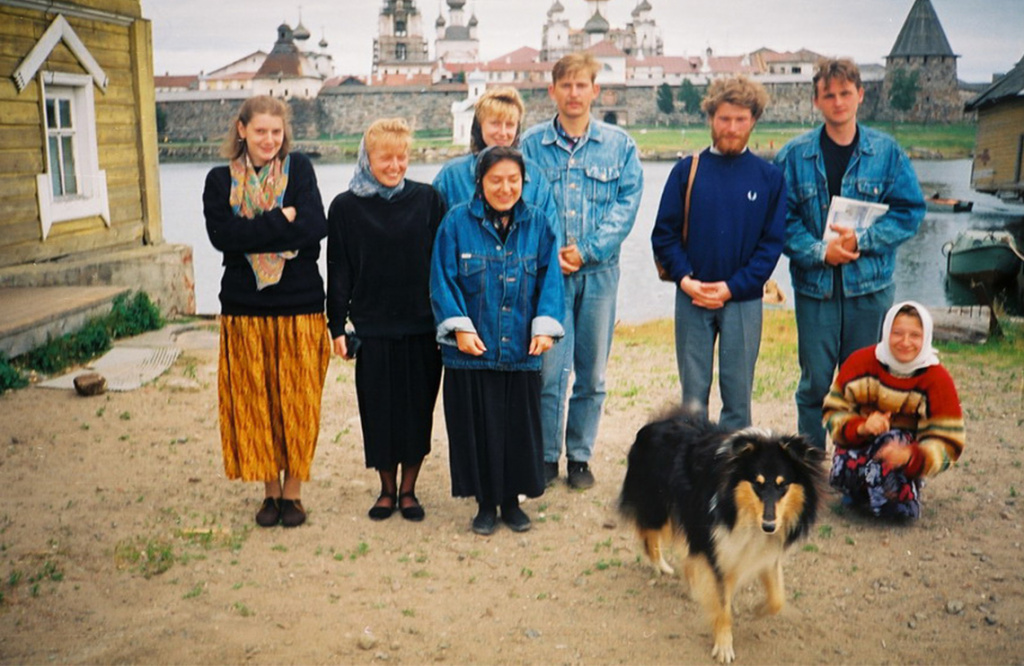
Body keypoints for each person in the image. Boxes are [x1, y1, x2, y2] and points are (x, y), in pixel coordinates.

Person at [774, 58, 925, 450]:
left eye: (845, 93)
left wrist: (862, 242)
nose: (838, 102)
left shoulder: (887, 153)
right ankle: (812, 465)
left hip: (869, 290)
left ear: (860, 95)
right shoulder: (793, 156)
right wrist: (822, 252)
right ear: (816, 101)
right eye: (829, 95)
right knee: (814, 384)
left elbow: (910, 212)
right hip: (815, 289)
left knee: (863, 384)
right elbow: (780, 222)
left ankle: (855, 466)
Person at [203, 95, 329, 528]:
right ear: (242, 130)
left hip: (300, 305)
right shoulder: (219, 181)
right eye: (260, 131)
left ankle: (293, 493)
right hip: (244, 307)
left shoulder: (301, 171)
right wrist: (282, 219)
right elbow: (223, 237)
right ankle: (269, 492)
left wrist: (253, 231)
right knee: (256, 402)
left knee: (298, 400)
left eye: (276, 132)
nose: (269, 140)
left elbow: (315, 229)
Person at [520, 52, 644, 489]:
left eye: (582, 85)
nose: (574, 94)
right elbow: (523, 201)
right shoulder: (530, 146)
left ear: (596, 90)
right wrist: (549, 253)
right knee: (550, 371)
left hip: (599, 274)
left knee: (591, 372)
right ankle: (546, 456)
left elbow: (627, 206)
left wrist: (587, 251)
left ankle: (579, 457)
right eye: (565, 86)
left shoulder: (620, 146)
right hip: (548, 276)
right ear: (552, 91)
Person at [430, 146, 565, 535]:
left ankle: (512, 503)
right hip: (471, 351)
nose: (505, 188)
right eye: (495, 180)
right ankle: (486, 504)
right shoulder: (456, 222)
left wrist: (544, 328)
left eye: (513, 180)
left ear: (523, 182)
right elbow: (442, 279)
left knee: (517, 429)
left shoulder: (539, 224)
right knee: (478, 430)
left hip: (520, 348)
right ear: (480, 182)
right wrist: (460, 329)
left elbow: (549, 280)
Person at [326, 118, 445, 522]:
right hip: (373, 328)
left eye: (402, 157)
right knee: (378, 411)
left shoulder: (429, 200)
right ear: (367, 158)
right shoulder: (345, 207)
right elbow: (339, 269)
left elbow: (444, 265)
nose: (394, 165)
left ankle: (409, 491)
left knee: (416, 411)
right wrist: (336, 326)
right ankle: (386, 489)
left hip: (422, 326)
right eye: (385, 158)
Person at [651, 76, 786, 430]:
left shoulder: (769, 177)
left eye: (741, 120)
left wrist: (733, 286)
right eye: (724, 119)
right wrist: (686, 280)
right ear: (711, 118)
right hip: (692, 296)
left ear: (753, 121)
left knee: (738, 397)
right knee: (693, 399)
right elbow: (664, 235)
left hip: (742, 299)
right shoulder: (687, 171)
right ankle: (694, 475)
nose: (732, 128)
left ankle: (731, 476)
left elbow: (771, 246)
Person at [823, 301, 965, 519]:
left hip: (901, 457)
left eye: (915, 335)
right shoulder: (860, 362)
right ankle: (857, 489)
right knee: (843, 470)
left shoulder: (937, 380)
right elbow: (833, 411)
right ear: (886, 331)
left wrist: (911, 455)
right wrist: (861, 426)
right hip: (861, 446)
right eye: (897, 333)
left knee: (893, 444)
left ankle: (904, 492)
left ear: (926, 336)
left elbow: (949, 441)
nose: (905, 342)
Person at [432, 86, 557, 227]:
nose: (503, 132)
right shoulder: (452, 176)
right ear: (480, 125)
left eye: (509, 125)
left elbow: (550, 234)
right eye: (495, 123)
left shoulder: (534, 176)